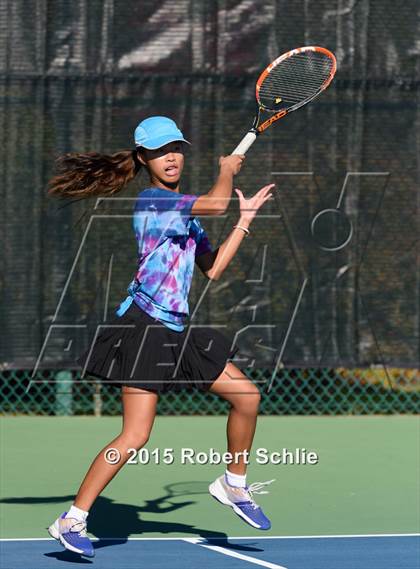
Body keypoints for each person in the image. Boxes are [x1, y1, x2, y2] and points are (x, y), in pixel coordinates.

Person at [46, 116, 275, 558]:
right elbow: (213, 204)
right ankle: (72, 519)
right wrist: (227, 171)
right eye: (158, 151)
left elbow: (213, 268)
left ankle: (233, 484)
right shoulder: (153, 201)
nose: (170, 157)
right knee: (135, 436)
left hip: (174, 327)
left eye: (175, 148)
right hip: (144, 326)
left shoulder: (185, 209)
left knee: (246, 396)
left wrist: (245, 220)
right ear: (143, 159)